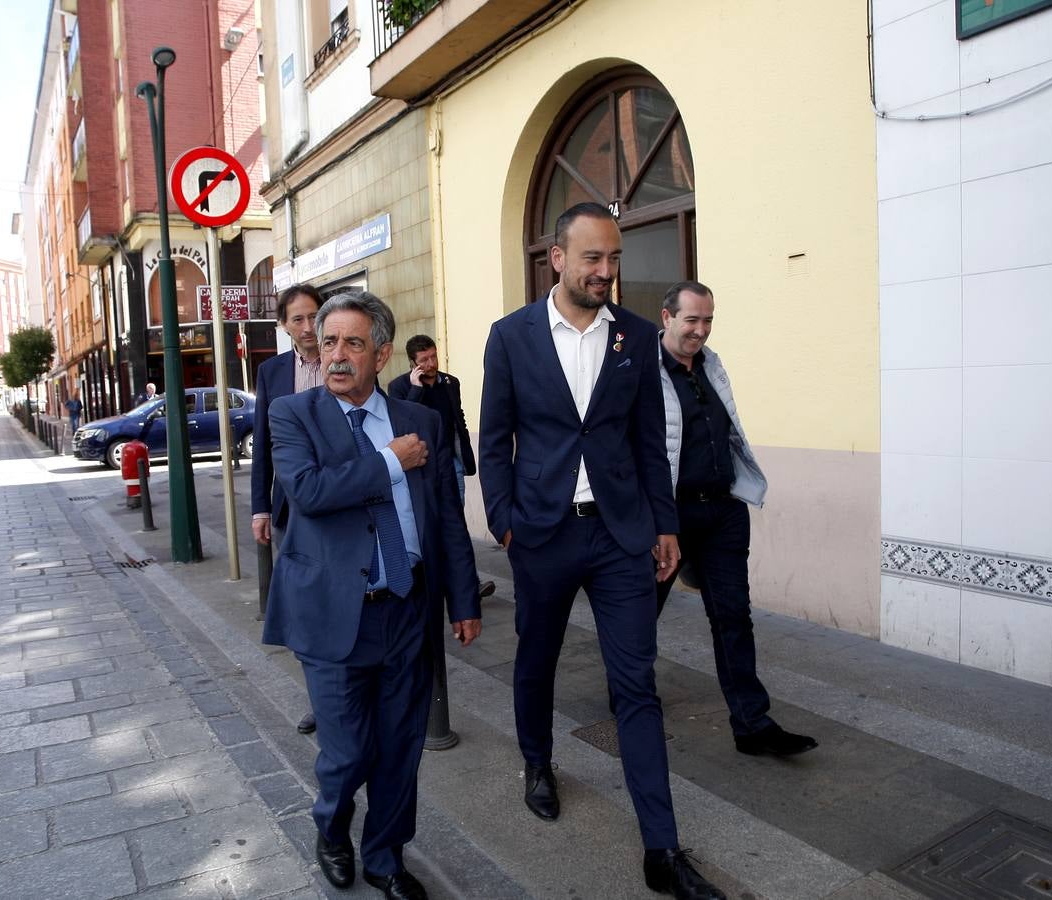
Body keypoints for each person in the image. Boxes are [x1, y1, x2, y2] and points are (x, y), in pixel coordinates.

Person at [479, 202, 723, 900]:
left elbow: (651, 441)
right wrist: (505, 522)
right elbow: (494, 441)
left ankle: (662, 848)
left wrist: (664, 525)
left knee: (636, 683)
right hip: (545, 534)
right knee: (536, 660)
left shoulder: (638, 338)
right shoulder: (512, 337)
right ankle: (537, 762)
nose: (607, 271)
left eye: (614, 259)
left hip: (621, 536)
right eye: (593, 258)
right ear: (558, 258)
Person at [262, 290, 482, 900]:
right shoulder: (294, 414)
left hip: (407, 608)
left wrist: (463, 600)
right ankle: (332, 828)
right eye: (328, 342)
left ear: (381, 353)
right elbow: (307, 491)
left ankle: (385, 858)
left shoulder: (423, 422)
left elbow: (444, 519)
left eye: (352, 343)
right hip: (334, 615)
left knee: (401, 748)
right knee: (348, 751)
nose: (336, 355)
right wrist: (389, 461)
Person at [655, 281, 816, 758]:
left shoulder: (712, 364)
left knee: (733, 616)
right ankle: (631, 699)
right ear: (667, 318)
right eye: (691, 321)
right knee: (641, 614)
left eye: (707, 321)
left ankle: (752, 724)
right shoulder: (642, 373)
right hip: (670, 514)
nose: (700, 331)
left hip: (723, 509)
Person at [251, 283, 324, 735]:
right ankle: (319, 698)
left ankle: (347, 688)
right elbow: (264, 444)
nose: (307, 327)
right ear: (284, 325)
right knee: (304, 607)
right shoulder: (271, 372)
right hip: (290, 509)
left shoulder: (345, 357)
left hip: (342, 501)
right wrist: (260, 507)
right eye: (296, 319)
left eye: (313, 315)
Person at [388, 335, 496, 600]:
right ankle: (429, 580)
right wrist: (416, 390)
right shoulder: (399, 387)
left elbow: (457, 416)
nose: (431, 363)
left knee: (454, 522)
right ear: (413, 362)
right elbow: (403, 425)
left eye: (433, 356)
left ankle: (469, 582)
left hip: (450, 463)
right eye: (424, 360)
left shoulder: (450, 382)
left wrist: (465, 455)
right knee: (423, 522)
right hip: (419, 468)